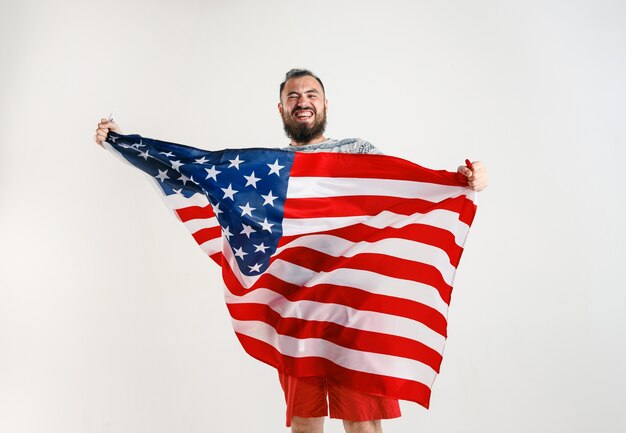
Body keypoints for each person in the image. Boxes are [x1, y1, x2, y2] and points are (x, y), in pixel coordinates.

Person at [94, 69, 488, 433]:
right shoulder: (267, 171)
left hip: (353, 313)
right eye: (293, 95)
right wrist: (124, 143)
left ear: (325, 104)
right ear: (282, 108)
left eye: (311, 93)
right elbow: (195, 173)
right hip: (298, 312)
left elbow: (402, 191)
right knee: (304, 423)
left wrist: (461, 181)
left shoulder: (357, 153)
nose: (303, 100)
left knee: (363, 425)